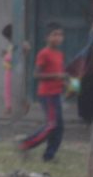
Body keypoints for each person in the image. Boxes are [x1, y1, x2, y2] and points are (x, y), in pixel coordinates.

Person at [18, 22, 67, 161]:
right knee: (52, 125)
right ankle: (26, 144)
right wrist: (56, 76)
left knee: (59, 127)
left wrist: (65, 83)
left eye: (60, 35)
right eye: (54, 35)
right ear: (47, 37)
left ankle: (49, 156)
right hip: (47, 94)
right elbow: (36, 75)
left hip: (56, 93)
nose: (58, 38)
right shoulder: (43, 53)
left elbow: (59, 73)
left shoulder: (59, 54)